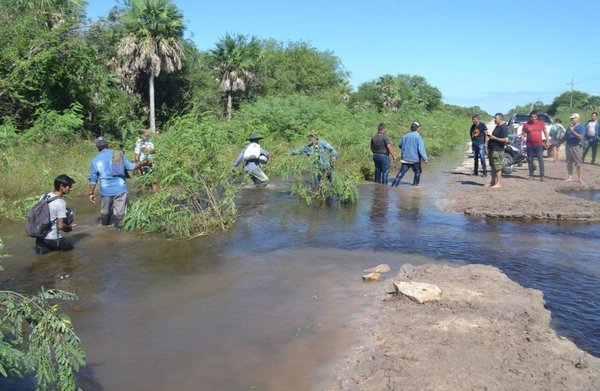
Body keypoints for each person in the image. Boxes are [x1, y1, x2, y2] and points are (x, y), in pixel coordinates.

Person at [88, 136, 143, 228]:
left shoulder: (95, 160)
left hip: (105, 191)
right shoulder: (118, 154)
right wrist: (143, 163)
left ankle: (105, 231)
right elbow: (131, 167)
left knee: (104, 214)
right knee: (120, 216)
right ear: (108, 145)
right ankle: (118, 231)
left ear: (97, 147)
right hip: (120, 189)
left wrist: (91, 193)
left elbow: (93, 179)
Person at [35, 174, 75, 254]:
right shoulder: (61, 203)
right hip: (53, 238)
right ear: (62, 186)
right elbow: (61, 226)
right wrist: (68, 228)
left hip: (39, 237)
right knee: (71, 251)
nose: (70, 189)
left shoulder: (44, 196)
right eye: (69, 186)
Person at [390, 122, 429, 187]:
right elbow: (421, 149)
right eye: (419, 127)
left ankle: (393, 185)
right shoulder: (418, 137)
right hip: (415, 159)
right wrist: (425, 158)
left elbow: (400, 145)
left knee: (401, 173)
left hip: (405, 158)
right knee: (418, 171)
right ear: (417, 128)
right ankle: (415, 186)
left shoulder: (405, 136)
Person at [520, 111, 549, 181]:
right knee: (530, 160)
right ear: (530, 117)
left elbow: (545, 132)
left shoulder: (541, 123)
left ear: (537, 117)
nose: (533, 118)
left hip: (539, 145)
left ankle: (542, 176)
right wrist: (521, 144)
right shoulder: (526, 125)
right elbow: (523, 135)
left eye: (535, 117)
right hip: (530, 145)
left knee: (541, 160)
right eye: (532, 117)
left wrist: (547, 141)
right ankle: (531, 175)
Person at [487, 113, 509, 189]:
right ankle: (492, 182)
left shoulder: (503, 127)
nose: (494, 119)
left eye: (496, 118)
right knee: (493, 166)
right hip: (492, 149)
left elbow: (506, 140)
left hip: (498, 150)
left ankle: (499, 183)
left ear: (501, 118)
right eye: (494, 118)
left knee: (497, 167)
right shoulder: (497, 126)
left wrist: (495, 138)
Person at [563, 113, 586, 183]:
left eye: (573, 118)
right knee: (569, 162)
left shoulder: (581, 127)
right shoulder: (570, 127)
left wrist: (572, 130)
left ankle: (580, 179)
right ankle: (570, 177)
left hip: (576, 146)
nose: (571, 119)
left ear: (577, 119)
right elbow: (566, 136)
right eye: (571, 118)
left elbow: (581, 137)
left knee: (578, 163)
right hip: (568, 145)